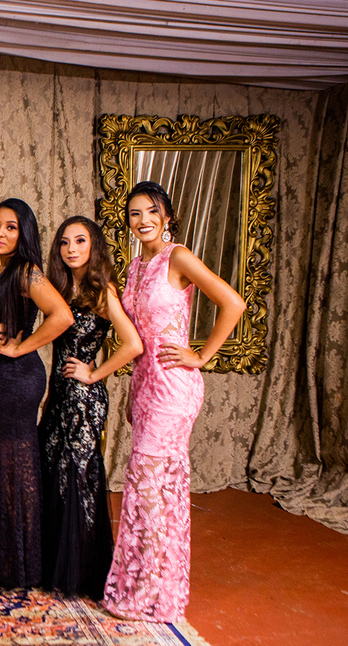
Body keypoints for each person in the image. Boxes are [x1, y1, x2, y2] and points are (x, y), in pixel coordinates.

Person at [103, 181, 245, 623]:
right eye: (135, 214)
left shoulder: (177, 257)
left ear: (167, 216)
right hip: (145, 385)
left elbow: (233, 303)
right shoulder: (133, 267)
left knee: (150, 488)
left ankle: (151, 594)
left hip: (173, 388)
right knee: (148, 488)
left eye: (151, 211)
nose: (143, 220)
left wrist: (201, 356)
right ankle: (145, 584)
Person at [38, 215, 143, 600]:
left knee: (78, 476)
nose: (71, 249)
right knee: (53, 469)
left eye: (80, 241)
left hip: (84, 399)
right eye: (64, 242)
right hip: (58, 394)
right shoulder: (60, 288)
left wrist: (94, 374)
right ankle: (53, 566)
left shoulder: (102, 290)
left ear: (94, 245)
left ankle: (82, 572)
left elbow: (133, 344)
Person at [0, 198, 74, 589]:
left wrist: (21, 347)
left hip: (17, 379)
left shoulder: (25, 271)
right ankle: (7, 560)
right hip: (0, 375)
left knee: (15, 468)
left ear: (24, 233)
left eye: (11, 227)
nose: (0, 233)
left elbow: (62, 316)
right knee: (3, 466)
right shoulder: (3, 270)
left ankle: (22, 565)